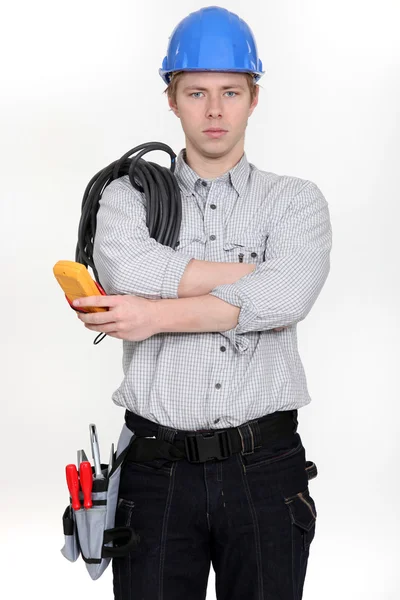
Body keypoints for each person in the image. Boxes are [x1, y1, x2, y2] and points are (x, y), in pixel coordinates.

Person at [73, 6, 332, 599]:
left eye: (230, 92)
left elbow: (290, 295)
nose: (214, 111)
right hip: (155, 470)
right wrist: (253, 279)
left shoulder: (295, 202)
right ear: (171, 98)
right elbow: (129, 267)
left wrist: (150, 314)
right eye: (196, 92)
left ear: (254, 97)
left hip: (265, 468)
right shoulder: (127, 196)